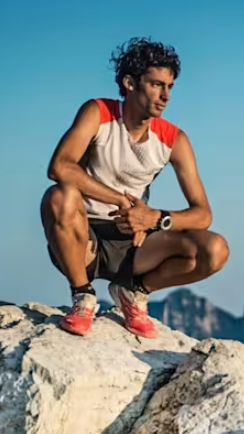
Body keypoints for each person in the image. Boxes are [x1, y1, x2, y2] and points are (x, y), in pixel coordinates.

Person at [41, 37, 229, 339]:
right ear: (129, 83)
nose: (165, 96)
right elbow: (60, 167)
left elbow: (203, 214)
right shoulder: (98, 112)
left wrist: (155, 218)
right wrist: (120, 201)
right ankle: (82, 296)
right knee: (58, 196)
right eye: (156, 85)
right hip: (82, 240)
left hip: (135, 244)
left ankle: (134, 292)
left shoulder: (174, 140)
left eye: (170, 87)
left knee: (215, 250)